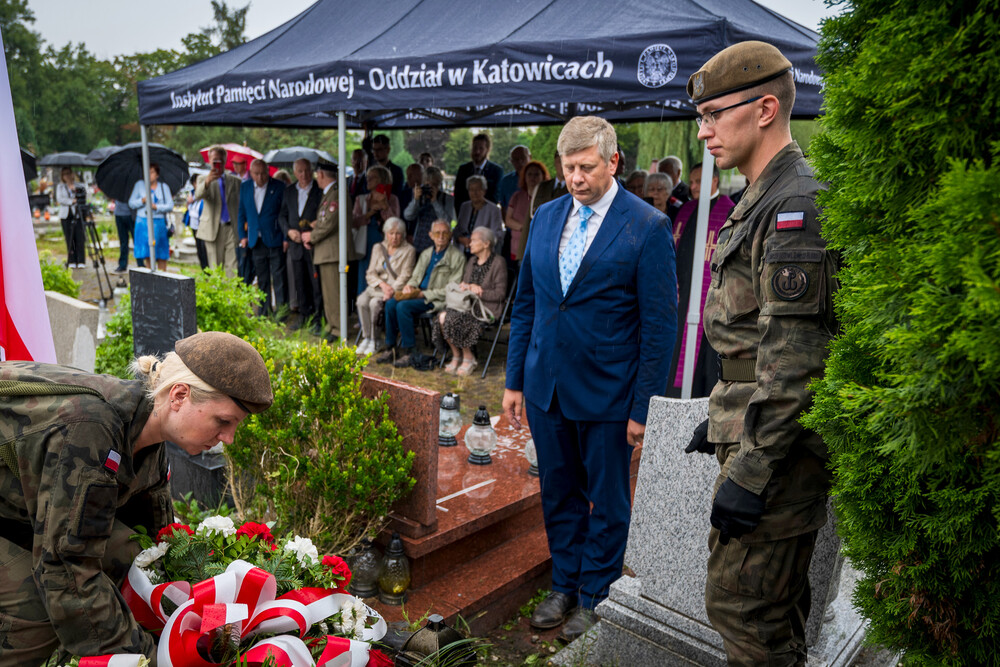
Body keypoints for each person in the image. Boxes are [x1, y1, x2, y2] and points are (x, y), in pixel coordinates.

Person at [685, 41, 839, 665]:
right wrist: (723, 412)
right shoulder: (761, 194)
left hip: (779, 454)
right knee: (769, 613)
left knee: (743, 610)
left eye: (715, 114)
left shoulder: (794, 204)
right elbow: (755, 340)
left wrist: (749, 470)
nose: (705, 132)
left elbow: (797, 362)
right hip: (759, 429)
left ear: (767, 108)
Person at [503, 116, 676, 643]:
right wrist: (514, 380)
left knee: (606, 499)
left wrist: (643, 409)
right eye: (568, 167)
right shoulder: (548, 216)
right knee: (557, 491)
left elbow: (659, 328)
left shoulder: (645, 226)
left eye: (586, 167)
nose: (575, 177)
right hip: (546, 388)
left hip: (608, 394)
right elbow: (527, 304)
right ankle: (565, 580)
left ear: (613, 161)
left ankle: (596, 594)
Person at [0, 331, 273, 666]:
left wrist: (208, 627)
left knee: (125, 550)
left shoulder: (148, 431)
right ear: (179, 396)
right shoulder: (91, 429)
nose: (228, 439)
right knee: (39, 607)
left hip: (20, 511)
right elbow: (65, 570)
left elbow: (155, 551)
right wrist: (150, 658)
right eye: (223, 421)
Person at [667, 162, 734, 398]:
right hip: (681, 295)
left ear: (713, 180)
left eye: (697, 181)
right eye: (691, 181)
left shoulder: (728, 211)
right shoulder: (686, 210)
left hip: (707, 300)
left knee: (701, 361)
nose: (692, 186)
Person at [377, 219, 464, 368]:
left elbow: (452, 288)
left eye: (444, 233)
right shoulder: (426, 253)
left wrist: (425, 294)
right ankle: (391, 347)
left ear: (450, 235)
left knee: (403, 307)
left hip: (437, 299)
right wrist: (409, 287)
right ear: (431, 235)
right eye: (437, 233)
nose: (441, 236)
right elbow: (415, 277)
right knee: (391, 303)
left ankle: (409, 351)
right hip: (418, 295)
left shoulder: (457, 257)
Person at [433, 226, 507, 377]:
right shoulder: (472, 261)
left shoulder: (498, 263)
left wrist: (479, 290)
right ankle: (457, 354)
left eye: (473, 240)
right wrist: (465, 286)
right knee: (442, 317)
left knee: (457, 319)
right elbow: (466, 285)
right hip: (467, 306)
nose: (469, 243)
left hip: (487, 308)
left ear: (486, 244)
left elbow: (500, 294)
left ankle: (469, 357)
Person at [356, 217, 416, 355]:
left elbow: (406, 275)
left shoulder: (409, 250)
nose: (394, 237)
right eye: (391, 233)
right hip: (377, 287)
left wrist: (391, 290)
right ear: (385, 233)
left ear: (403, 235)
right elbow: (370, 272)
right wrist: (382, 285)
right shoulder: (378, 247)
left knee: (374, 304)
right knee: (361, 301)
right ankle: (367, 337)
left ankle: (376, 339)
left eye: (398, 233)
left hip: (395, 289)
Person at [278, 158, 324, 334]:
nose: (304, 175)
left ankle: (318, 318)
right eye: (300, 171)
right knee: (299, 282)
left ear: (311, 171)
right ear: (294, 173)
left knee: (316, 283)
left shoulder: (319, 191)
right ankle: (304, 315)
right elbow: (281, 216)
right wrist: (289, 232)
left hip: (313, 245)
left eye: (306, 171)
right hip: (295, 245)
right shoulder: (289, 191)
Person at [238, 159, 288, 316]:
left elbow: (285, 213)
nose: (260, 177)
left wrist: (286, 238)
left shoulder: (279, 187)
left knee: (278, 277)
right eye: (256, 174)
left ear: (268, 172)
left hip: (275, 238)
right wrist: (242, 235)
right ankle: (264, 310)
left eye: (263, 174)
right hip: (255, 240)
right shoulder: (245, 187)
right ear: (251, 173)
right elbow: (241, 213)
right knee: (262, 276)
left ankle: (281, 311)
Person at [302, 157, 342, 340]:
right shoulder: (330, 193)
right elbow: (326, 220)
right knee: (328, 292)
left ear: (322, 174)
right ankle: (332, 326)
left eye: (318, 174)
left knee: (333, 293)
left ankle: (338, 329)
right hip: (326, 251)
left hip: (331, 252)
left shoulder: (335, 193)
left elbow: (330, 224)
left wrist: (312, 236)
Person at [352, 165, 401, 296]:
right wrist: (370, 213)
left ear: (382, 180)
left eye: (372, 178)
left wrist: (385, 206)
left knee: (385, 276)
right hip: (365, 244)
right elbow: (354, 223)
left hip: (385, 244)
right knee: (365, 275)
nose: (368, 180)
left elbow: (396, 224)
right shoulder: (361, 199)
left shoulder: (392, 199)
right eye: (367, 177)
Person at [195, 145, 242, 276]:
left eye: (221, 160)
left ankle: (230, 295)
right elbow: (197, 195)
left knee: (232, 269)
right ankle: (217, 295)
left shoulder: (236, 181)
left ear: (225, 161)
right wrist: (207, 182)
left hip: (231, 228)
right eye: (215, 160)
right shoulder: (202, 179)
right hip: (212, 228)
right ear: (209, 161)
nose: (218, 163)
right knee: (216, 268)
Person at [129, 164, 173, 272]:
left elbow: (170, 205)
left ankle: (163, 276)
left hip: (158, 222)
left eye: (152, 172)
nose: (149, 175)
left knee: (161, 253)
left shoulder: (163, 187)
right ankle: (150, 276)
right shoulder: (139, 185)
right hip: (143, 222)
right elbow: (131, 203)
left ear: (157, 174)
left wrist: (156, 207)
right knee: (147, 253)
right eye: (147, 172)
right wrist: (142, 200)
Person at [403, 166, 455, 255]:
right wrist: (416, 200)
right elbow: (408, 216)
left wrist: (435, 202)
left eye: (434, 185)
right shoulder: (420, 196)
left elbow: (447, 221)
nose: (430, 188)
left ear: (439, 184)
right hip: (419, 243)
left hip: (439, 244)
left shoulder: (447, 199)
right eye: (428, 185)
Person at [506, 160, 549, 262]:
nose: (532, 177)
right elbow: (508, 220)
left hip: (539, 248)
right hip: (518, 247)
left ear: (543, 176)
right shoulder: (517, 196)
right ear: (524, 177)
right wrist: (524, 227)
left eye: (536, 174)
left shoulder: (547, 197)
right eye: (529, 174)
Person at [453, 133, 503, 211]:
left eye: (481, 148)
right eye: (475, 148)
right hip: (466, 214)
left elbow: (495, 197)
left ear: (487, 150)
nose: (477, 152)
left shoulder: (496, 171)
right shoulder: (463, 169)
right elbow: (458, 197)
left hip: (487, 215)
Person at [454, 175, 503, 252]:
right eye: (471, 190)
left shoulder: (494, 209)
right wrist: (460, 239)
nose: (474, 193)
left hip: (483, 252)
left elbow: (497, 234)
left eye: (478, 189)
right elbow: (458, 229)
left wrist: (480, 242)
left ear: (484, 191)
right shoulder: (464, 206)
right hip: (463, 250)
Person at [55, 167, 86, 268]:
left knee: (79, 236)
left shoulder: (79, 185)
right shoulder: (60, 187)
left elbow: (84, 196)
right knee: (69, 237)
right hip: (66, 214)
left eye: (69, 173)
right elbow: (60, 198)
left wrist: (75, 192)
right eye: (65, 174)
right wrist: (71, 201)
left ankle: (81, 260)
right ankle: (72, 259)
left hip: (77, 213)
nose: (67, 176)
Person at [530, 151, 567, 217]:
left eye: (566, 162)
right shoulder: (541, 186)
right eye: (560, 161)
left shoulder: (575, 189)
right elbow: (530, 216)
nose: (563, 165)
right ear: (555, 163)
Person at [185, 174, 210, 270]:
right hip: (194, 225)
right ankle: (203, 269)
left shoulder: (203, 195)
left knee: (204, 249)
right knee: (199, 249)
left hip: (203, 225)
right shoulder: (191, 194)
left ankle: (208, 270)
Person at [497, 145, 531, 214]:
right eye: (516, 159)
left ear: (530, 157)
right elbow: (502, 207)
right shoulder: (506, 181)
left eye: (523, 158)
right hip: (511, 222)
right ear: (511, 161)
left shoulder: (538, 178)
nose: (520, 162)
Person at [370, 134, 405, 200]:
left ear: (388, 150)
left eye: (379, 149)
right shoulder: (370, 170)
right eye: (374, 150)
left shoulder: (396, 171)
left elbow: (396, 194)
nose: (375, 153)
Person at [112, 197, 135, 274]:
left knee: (136, 241)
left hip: (131, 214)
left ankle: (140, 264)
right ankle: (122, 265)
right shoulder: (117, 186)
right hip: (119, 214)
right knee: (123, 241)